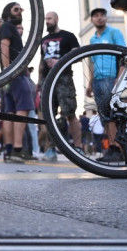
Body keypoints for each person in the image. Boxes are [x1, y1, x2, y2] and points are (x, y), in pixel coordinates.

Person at [85, 7, 127, 162]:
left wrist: (119, 77)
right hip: (97, 80)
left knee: (111, 115)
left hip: (111, 77)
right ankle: (112, 148)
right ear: (92, 20)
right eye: (95, 15)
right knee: (104, 116)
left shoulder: (114, 33)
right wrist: (90, 84)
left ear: (106, 18)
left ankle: (117, 148)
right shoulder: (92, 39)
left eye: (102, 15)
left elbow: (123, 55)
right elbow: (93, 62)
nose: (99, 18)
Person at [37, 11, 81, 157]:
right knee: (48, 115)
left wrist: (60, 61)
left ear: (56, 19)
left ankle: (78, 147)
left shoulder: (68, 36)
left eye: (49, 19)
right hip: (46, 80)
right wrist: (39, 82)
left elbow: (78, 55)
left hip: (64, 79)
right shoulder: (43, 40)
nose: (47, 21)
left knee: (70, 112)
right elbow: (41, 61)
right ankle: (50, 149)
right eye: (46, 19)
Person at [0, 1, 35, 163]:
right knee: (23, 108)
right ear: (7, 13)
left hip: (10, 75)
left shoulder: (7, 27)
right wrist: (9, 71)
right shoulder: (8, 27)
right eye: (16, 9)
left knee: (10, 112)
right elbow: (4, 47)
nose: (20, 12)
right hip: (15, 74)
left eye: (21, 9)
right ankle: (18, 149)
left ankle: (10, 149)